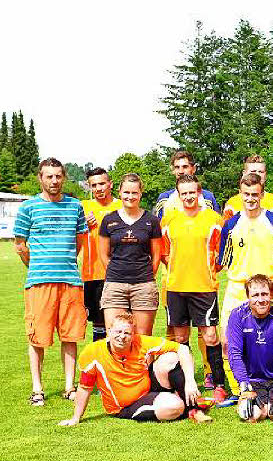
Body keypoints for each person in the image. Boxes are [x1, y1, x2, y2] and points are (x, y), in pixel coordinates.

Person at [14, 158, 89, 406]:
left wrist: (63, 262)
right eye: (49, 176)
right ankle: (38, 389)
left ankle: (70, 387)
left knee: (70, 336)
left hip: (70, 281)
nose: (54, 181)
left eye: (58, 176)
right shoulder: (28, 207)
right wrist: (37, 267)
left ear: (64, 177)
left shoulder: (75, 206)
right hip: (39, 283)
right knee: (38, 338)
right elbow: (20, 246)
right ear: (40, 178)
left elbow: (79, 242)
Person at [218, 173, 273, 395]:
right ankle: (237, 391)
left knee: (272, 344)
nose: (251, 198)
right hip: (237, 287)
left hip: (267, 290)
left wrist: (269, 284)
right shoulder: (231, 225)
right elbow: (224, 260)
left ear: (262, 194)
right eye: (246, 194)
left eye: (255, 194)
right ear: (240, 194)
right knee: (227, 342)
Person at [60, 311, 207, 426]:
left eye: (127, 333)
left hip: (148, 389)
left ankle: (194, 408)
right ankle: (185, 404)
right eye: (118, 332)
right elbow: (85, 387)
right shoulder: (92, 353)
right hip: (125, 406)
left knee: (171, 358)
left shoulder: (141, 342)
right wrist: (75, 418)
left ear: (133, 334)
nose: (122, 337)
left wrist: (190, 381)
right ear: (109, 331)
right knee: (173, 406)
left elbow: (182, 349)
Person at [160, 174, 229, 404]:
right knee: (181, 337)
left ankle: (219, 384)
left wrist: (207, 270)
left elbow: (221, 255)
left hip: (204, 287)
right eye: (184, 193)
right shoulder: (168, 221)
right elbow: (164, 253)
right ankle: (184, 385)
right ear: (178, 196)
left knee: (210, 335)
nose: (189, 197)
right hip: (176, 288)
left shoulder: (214, 219)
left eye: (192, 192)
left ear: (199, 193)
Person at [224, 274, 273, 423]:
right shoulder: (237, 316)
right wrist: (244, 386)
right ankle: (248, 401)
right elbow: (234, 353)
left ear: (271, 295)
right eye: (255, 295)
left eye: (264, 294)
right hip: (253, 380)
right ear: (248, 297)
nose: (260, 299)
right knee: (254, 416)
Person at [97, 174, 163, 335]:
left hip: (143, 285)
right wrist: (116, 272)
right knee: (115, 335)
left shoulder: (152, 221)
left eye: (134, 193)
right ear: (119, 192)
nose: (130, 196)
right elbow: (103, 254)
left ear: (141, 194)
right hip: (115, 285)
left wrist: (144, 275)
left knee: (142, 337)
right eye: (126, 192)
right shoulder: (109, 220)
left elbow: (156, 255)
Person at [80, 167, 120, 342]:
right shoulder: (83, 208)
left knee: (119, 323)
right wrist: (83, 225)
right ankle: (100, 364)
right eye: (94, 185)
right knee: (98, 324)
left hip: (119, 273)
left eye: (102, 183)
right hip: (93, 274)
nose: (98, 188)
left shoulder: (122, 205)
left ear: (110, 184)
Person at [221, 154, 273, 231]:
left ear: (265, 174)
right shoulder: (231, 205)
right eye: (253, 171)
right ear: (244, 173)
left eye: (261, 172)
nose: (257, 174)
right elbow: (224, 234)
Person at [152, 150, 219, 218]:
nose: (181, 171)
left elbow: (218, 225)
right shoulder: (164, 199)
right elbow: (158, 227)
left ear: (194, 169)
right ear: (173, 171)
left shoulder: (207, 198)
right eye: (177, 167)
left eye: (185, 167)